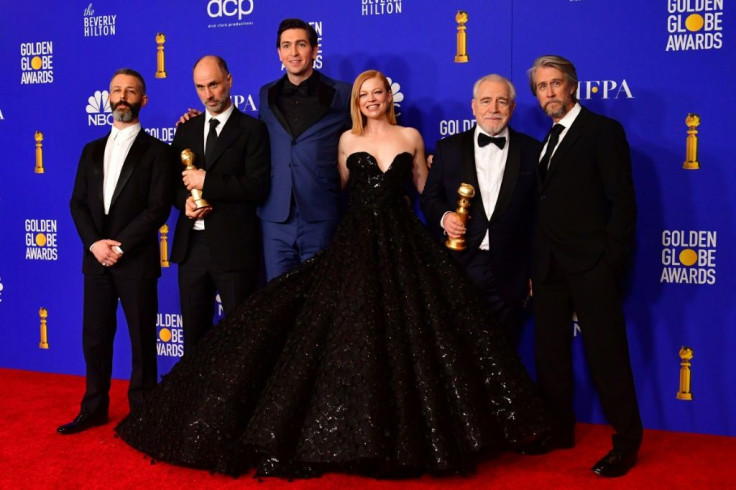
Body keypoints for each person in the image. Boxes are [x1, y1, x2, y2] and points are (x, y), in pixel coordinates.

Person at [116, 69, 548, 478]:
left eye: (379, 92)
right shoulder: (345, 140)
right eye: (364, 94)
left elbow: (424, 190)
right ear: (356, 101)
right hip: (355, 244)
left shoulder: (412, 137)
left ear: (389, 97)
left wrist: (446, 204)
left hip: (406, 245)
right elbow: (334, 192)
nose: (372, 99)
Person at [524, 55, 642, 477]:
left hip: (591, 265)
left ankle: (626, 443)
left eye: (556, 84)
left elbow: (622, 201)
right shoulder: (546, 141)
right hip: (549, 268)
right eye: (542, 87)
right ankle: (559, 430)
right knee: (550, 354)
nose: (549, 92)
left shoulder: (602, 132)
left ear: (572, 86)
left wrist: (609, 259)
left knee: (607, 355)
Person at [60, 68, 174, 434]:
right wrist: (96, 244)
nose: (122, 97)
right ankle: (94, 407)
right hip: (96, 261)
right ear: (109, 97)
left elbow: (158, 208)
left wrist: (120, 245)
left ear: (144, 99)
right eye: (116, 91)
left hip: (136, 260)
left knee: (142, 338)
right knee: (94, 337)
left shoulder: (158, 152)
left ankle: (143, 411)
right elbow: (77, 204)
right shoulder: (90, 150)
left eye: (131, 91)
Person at [421, 74, 539, 348]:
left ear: (512, 107)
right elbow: (429, 198)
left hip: (511, 271)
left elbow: (539, 216)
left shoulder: (532, 151)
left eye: (501, 101)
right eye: (486, 101)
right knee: (459, 351)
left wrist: (534, 271)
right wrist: (445, 217)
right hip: (460, 266)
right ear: (473, 107)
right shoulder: (448, 148)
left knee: (506, 351)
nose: (494, 109)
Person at [170, 55, 271, 353]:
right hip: (191, 249)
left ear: (229, 80)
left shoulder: (252, 130)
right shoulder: (186, 128)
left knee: (242, 338)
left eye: (213, 84)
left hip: (235, 249)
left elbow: (257, 187)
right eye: (200, 87)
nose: (208, 94)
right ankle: (196, 399)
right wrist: (185, 203)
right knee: (194, 338)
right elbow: (175, 185)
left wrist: (207, 181)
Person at [257, 18, 352, 280]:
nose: (294, 52)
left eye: (301, 44)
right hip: (275, 216)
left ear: (314, 50)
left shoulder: (341, 93)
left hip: (320, 211)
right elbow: (249, 136)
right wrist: (199, 120)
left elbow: (364, 139)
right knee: (277, 299)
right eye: (286, 46)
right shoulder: (266, 94)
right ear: (279, 53)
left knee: (320, 299)